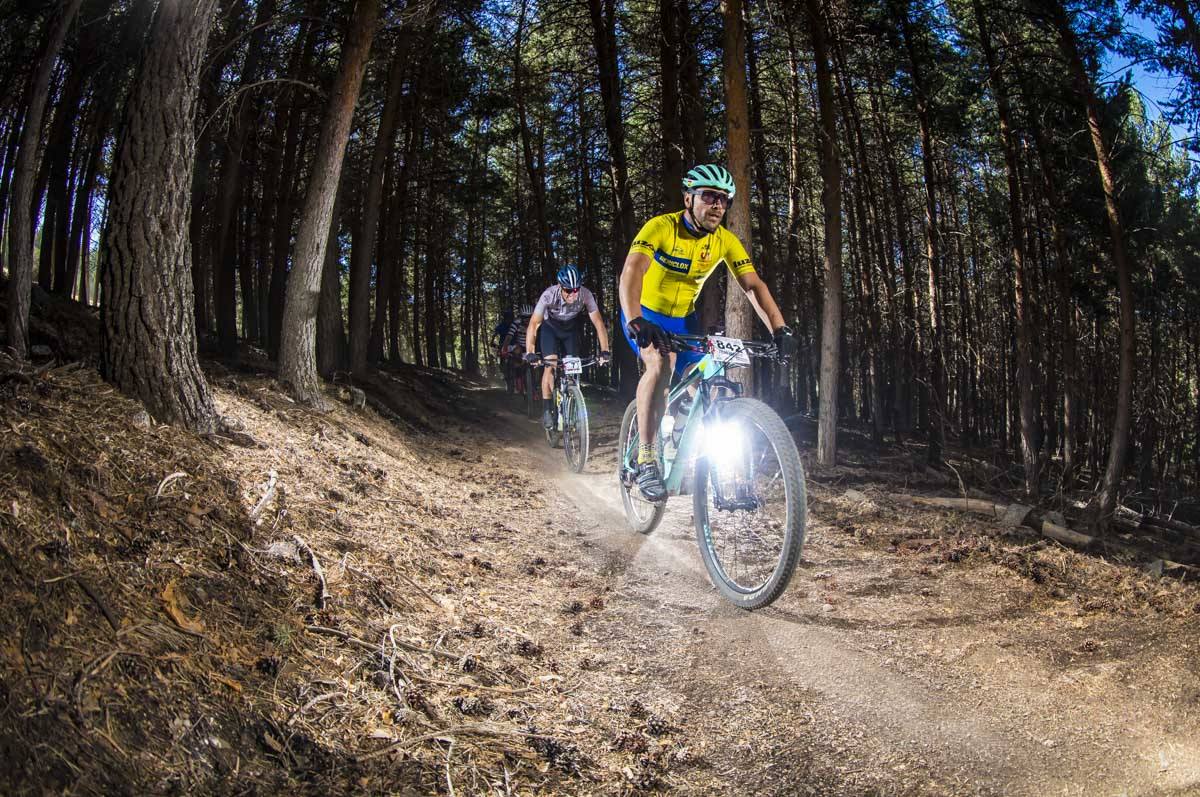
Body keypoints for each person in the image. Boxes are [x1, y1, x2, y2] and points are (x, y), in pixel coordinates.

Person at [618, 163, 796, 502]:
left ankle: (685, 438)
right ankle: (645, 456)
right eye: (709, 197)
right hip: (644, 313)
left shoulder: (724, 241)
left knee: (708, 379)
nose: (717, 205)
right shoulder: (662, 227)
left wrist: (779, 328)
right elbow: (632, 270)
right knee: (660, 366)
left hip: (683, 320)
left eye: (724, 199)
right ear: (688, 198)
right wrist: (635, 319)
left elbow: (753, 286)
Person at [524, 265, 611, 429]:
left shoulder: (585, 295)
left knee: (572, 367)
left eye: (576, 289)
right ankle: (547, 409)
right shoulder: (548, 295)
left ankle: (572, 402)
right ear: (560, 286)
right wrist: (530, 351)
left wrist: (605, 350)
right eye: (568, 290)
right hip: (550, 328)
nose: (573, 294)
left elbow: (599, 323)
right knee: (551, 364)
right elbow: (534, 324)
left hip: (570, 329)